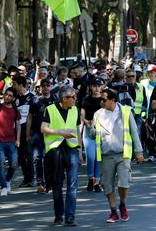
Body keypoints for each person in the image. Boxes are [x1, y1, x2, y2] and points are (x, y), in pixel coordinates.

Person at [92, 88, 144, 223]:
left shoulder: (125, 112)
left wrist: (139, 152)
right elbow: (93, 134)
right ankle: (113, 211)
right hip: (106, 155)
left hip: (123, 153)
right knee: (107, 185)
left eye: (104, 99)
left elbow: (134, 132)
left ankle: (123, 204)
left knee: (124, 182)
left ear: (112, 100)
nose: (101, 102)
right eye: (101, 99)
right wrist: (91, 129)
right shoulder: (98, 114)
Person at [41, 85, 84, 226]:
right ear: (64, 99)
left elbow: (78, 130)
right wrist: (60, 133)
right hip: (55, 150)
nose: (75, 100)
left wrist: (80, 150)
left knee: (72, 185)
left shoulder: (75, 110)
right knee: (57, 184)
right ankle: (58, 215)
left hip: (72, 148)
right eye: (73, 97)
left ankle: (70, 217)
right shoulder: (50, 109)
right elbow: (43, 128)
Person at [0, 87, 21, 196]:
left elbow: (18, 126)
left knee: (13, 164)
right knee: (1, 165)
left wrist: (18, 139)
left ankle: (7, 181)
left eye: (10, 95)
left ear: (14, 98)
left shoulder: (15, 110)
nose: (7, 96)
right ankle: (3, 187)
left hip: (11, 141)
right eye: (6, 94)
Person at [27, 78, 56, 194]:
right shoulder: (34, 100)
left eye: (48, 85)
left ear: (51, 86)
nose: (45, 87)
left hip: (51, 133)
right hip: (37, 133)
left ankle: (50, 183)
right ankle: (40, 183)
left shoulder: (55, 99)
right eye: (43, 85)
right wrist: (28, 133)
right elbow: (29, 117)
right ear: (39, 87)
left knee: (51, 159)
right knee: (37, 158)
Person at [81, 78, 104, 192]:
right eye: (94, 86)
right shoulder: (86, 99)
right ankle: (91, 177)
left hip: (102, 131)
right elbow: (82, 115)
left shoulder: (104, 99)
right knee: (91, 156)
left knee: (99, 157)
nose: (96, 88)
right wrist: (86, 122)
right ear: (90, 87)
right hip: (89, 130)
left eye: (98, 85)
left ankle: (97, 182)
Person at [13, 76, 36, 187]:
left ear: (21, 85)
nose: (14, 87)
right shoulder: (15, 98)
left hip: (28, 130)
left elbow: (34, 115)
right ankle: (26, 178)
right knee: (21, 156)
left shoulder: (32, 97)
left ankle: (32, 178)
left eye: (15, 84)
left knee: (29, 154)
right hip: (17, 131)